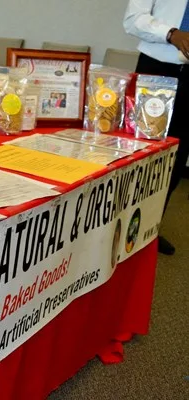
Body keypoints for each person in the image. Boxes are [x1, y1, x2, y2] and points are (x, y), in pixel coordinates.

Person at [124, 0, 189, 255]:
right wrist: (171, 34)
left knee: (177, 158)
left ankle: (149, 228)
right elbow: (132, 19)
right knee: (140, 152)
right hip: (157, 68)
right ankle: (123, 228)